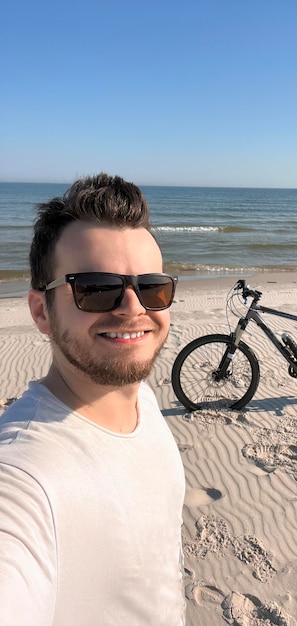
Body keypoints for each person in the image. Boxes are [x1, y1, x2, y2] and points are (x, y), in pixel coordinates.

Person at [0, 174, 186, 625]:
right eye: (96, 288)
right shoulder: (24, 477)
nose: (132, 308)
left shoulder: (140, 396)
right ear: (42, 311)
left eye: (151, 287)